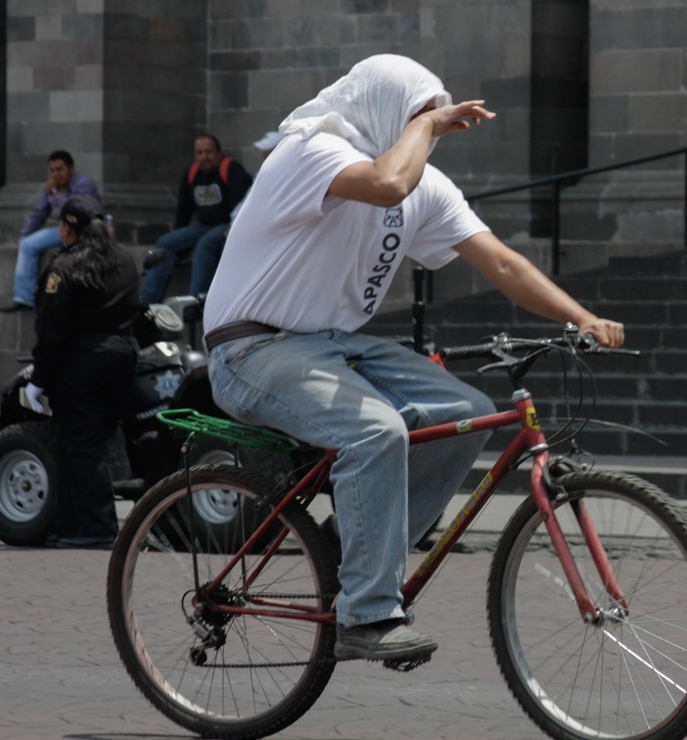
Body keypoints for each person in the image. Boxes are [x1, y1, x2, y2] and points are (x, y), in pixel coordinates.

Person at [202, 55, 625, 663]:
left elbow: (501, 263)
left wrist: (580, 317)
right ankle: (366, 616)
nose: (431, 126)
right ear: (383, 112)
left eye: (432, 114)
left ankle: (348, 550)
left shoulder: (424, 186)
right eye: (418, 113)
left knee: (463, 412)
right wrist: (425, 129)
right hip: (250, 347)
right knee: (376, 431)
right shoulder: (311, 150)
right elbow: (386, 183)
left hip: (332, 343)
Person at [25, 194, 143, 549]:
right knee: (90, 441)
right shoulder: (124, 258)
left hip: (84, 363)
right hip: (122, 358)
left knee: (82, 445)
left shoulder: (65, 267)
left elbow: (52, 331)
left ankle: (96, 527)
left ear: (68, 228)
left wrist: (39, 378)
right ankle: (72, 525)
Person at [141, 134, 252, 303]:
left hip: (228, 226)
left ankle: (194, 303)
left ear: (219, 153)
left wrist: (234, 227)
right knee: (166, 242)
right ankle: (147, 303)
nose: (204, 157)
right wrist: (179, 237)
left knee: (205, 245)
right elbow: (183, 209)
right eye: (199, 153)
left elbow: (243, 204)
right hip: (204, 226)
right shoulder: (192, 172)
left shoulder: (231, 169)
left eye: (208, 152)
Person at [0, 150, 101, 313]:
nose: (56, 175)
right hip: (64, 230)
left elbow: (74, 211)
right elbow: (38, 215)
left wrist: (54, 193)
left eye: (60, 170)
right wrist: (23, 237)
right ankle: (24, 298)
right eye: (52, 170)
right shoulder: (51, 189)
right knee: (28, 244)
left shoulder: (83, 184)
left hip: (85, 231)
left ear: (70, 169)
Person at [188, 130, 285, 296]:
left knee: (213, 244)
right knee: (170, 242)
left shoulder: (284, 176)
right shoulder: (263, 174)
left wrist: (234, 226)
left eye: (268, 152)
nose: (263, 156)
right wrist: (235, 224)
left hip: (266, 232)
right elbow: (245, 204)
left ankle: (220, 298)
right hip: (238, 226)